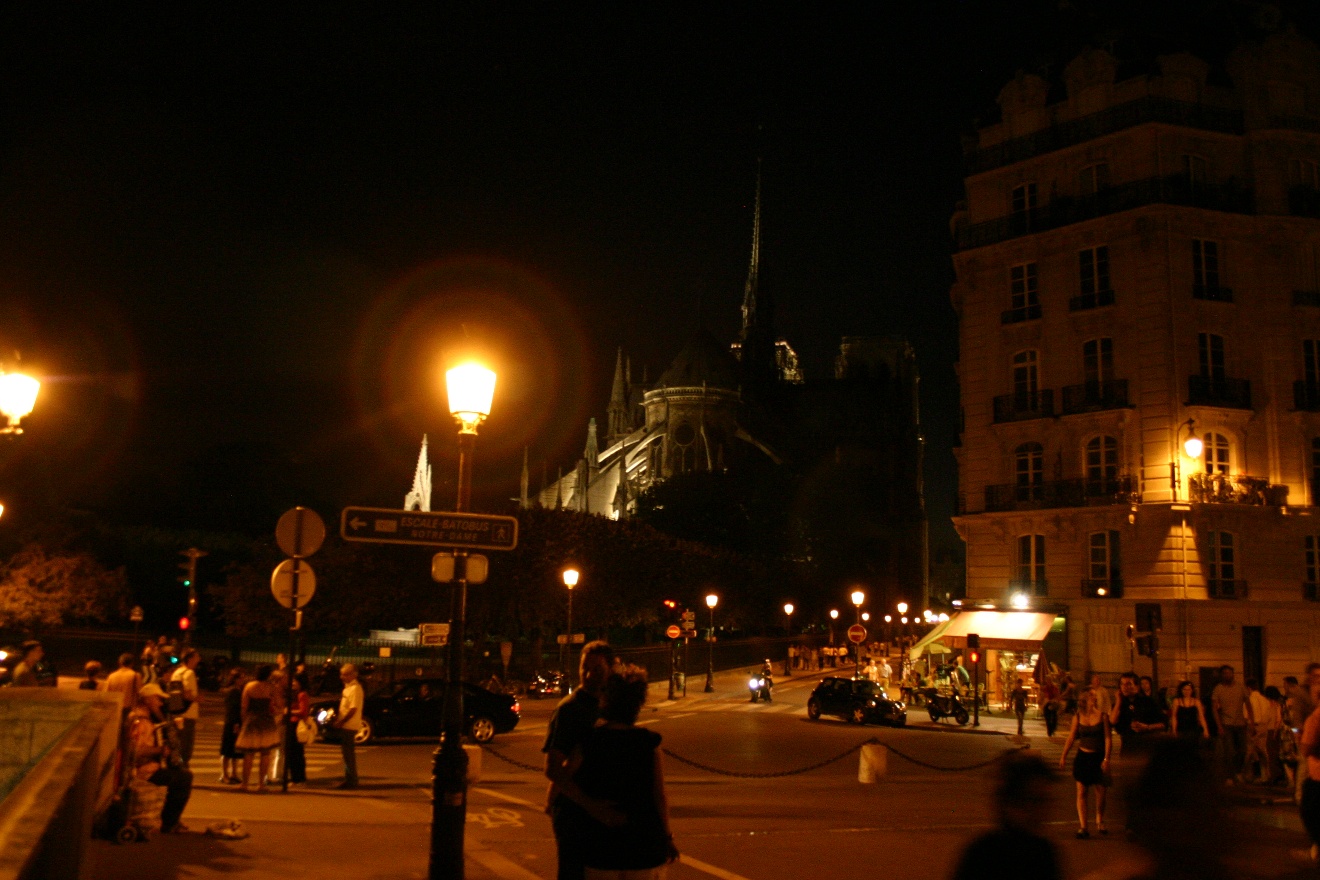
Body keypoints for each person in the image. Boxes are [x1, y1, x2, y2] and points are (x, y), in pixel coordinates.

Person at [571, 665, 679, 878]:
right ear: (638, 704)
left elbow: (564, 779)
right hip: (643, 844)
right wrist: (667, 838)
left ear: (606, 700)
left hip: (601, 844)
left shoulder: (590, 741)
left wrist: (592, 807)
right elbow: (659, 796)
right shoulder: (649, 743)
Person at [544, 640, 617, 880]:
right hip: (575, 812)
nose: (587, 674)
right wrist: (590, 805)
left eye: (596, 669)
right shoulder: (570, 709)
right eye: (584, 667)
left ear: (611, 668)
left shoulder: (612, 705)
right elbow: (553, 768)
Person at [950, 751, 1061, 880]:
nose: (1044, 810)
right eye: (1036, 800)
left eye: (1046, 800)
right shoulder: (984, 855)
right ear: (1011, 802)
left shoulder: (1043, 851)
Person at [124, 682, 193, 833]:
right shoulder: (142, 721)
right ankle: (170, 823)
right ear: (148, 700)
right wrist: (161, 750)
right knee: (184, 778)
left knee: (179, 773)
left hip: (145, 768)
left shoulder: (140, 716)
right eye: (158, 699)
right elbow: (136, 751)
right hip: (143, 770)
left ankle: (170, 820)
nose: (161, 703)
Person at [1059, 688, 1111, 838]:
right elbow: (1071, 737)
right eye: (1091, 696)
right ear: (1085, 700)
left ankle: (1099, 820)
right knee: (1081, 791)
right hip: (1083, 757)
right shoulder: (1078, 716)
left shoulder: (1103, 716)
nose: (1094, 698)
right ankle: (1083, 826)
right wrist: (1063, 755)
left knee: (1100, 792)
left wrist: (1107, 758)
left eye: (1094, 696)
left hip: (1098, 757)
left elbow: (1108, 738)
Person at [236, 664, 282, 792]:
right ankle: (261, 784)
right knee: (265, 753)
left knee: (249, 754)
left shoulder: (249, 686)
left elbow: (244, 707)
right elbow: (279, 703)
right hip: (266, 720)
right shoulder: (270, 687)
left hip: (252, 719)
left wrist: (243, 721)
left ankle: (244, 783)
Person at [1210, 664, 1252, 783]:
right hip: (1226, 723)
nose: (1227, 675)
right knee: (1229, 751)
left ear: (1233, 674)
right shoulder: (1218, 689)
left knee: (1243, 750)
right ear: (1221, 675)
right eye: (1225, 673)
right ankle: (1230, 775)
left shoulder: (1241, 687)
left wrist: (1251, 721)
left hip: (1240, 723)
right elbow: (1214, 708)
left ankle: (1238, 771)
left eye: (1229, 673)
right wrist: (1219, 725)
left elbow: (1248, 704)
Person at [1111, 671, 1165, 756]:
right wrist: (1118, 701)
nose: (1124, 687)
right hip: (1127, 748)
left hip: (1146, 746)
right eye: (1122, 684)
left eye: (1128, 684)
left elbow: (1163, 723)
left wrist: (1147, 727)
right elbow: (1112, 721)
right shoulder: (1120, 704)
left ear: (1137, 686)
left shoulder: (1148, 702)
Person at [332, 663, 364, 789]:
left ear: (354, 674)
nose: (342, 677)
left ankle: (351, 781)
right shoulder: (348, 688)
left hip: (349, 726)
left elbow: (353, 709)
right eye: (341, 674)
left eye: (345, 674)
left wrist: (341, 721)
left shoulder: (355, 689)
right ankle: (350, 779)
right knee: (347, 754)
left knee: (348, 754)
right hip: (346, 724)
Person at [173, 648, 202, 765]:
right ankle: (183, 770)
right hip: (188, 715)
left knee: (177, 744)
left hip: (176, 713)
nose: (199, 659)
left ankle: (176, 766)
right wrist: (197, 698)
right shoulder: (189, 673)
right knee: (186, 746)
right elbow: (187, 693)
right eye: (197, 657)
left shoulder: (177, 672)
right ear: (190, 659)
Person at [219, 667, 245, 784]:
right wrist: (236, 723)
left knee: (235, 750)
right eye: (241, 678)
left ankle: (234, 773)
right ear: (236, 679)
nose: (243, 680)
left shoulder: (238, 690)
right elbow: (233, 709)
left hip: (235, 722)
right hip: (232, 722)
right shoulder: (234, 691)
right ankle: (225, 774)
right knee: (227, 750)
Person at [287, 672, 311, 785]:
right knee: (294, 753)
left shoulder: (302, 695)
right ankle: (297, 778)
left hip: (296, 725)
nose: (293, 683)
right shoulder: (296, 694)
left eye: (295, 681)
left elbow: (303, 711)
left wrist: (289, 712)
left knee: (296, 753)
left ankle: (298, 778)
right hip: (292, 723)